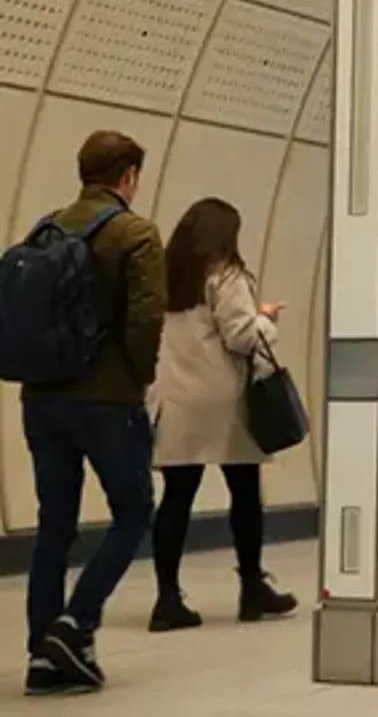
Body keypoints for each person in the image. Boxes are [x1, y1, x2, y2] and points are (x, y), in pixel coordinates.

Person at [20, 131, 165, 696]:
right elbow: (145, 318)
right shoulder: (135, 232)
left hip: (42, 398)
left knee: (54, 523)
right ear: (128, 176)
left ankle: (42, 658)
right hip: (107, 401)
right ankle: (76, 623)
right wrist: (138, 379)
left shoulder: (45, 228)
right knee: (133, 510)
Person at [146, 198, 298, 634]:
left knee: (177, 496)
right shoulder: (226, 275)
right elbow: (241, 337)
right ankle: (252, 586)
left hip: (174, 397)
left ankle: (168, 597)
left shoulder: (165, 275)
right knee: (245, 492)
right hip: (223, 398)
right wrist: (266, 318)